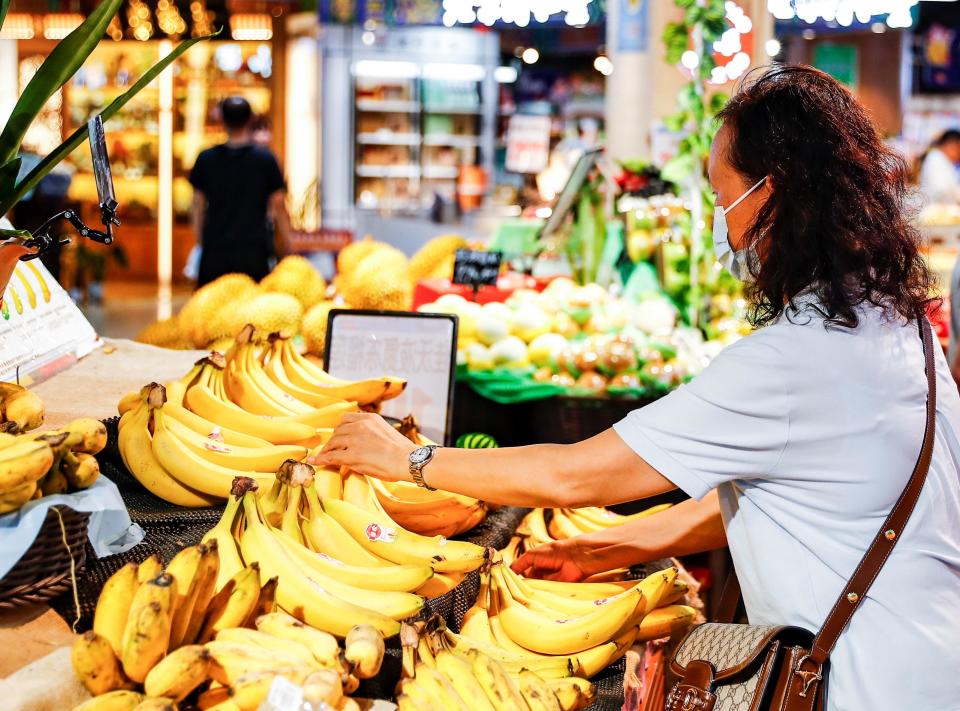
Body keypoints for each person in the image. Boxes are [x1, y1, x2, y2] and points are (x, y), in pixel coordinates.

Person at [312, 66, 960, 711]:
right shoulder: (898, 324)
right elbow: (794, 488)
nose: (720, 221)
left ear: (771, 196)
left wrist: (411, 458)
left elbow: (575, 473)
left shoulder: (791, 361)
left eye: (721, 195)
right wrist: (616, 545)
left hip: (861, 684)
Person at [189, 97, 290, 287]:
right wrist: (287, 245)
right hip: (254, 249)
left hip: (216, 248)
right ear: (251, 119)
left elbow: (197, 206)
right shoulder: (266, 159)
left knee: (211, 311)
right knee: (251, 312)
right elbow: (279, 206)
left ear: (222, 119)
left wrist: (201, 243)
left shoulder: (206, 159)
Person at [919, 128, 960, 206]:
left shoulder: (943, 160)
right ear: (951, 145)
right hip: (934, 211)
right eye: (959, 149)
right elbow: (942, 190)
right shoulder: (935, 158)